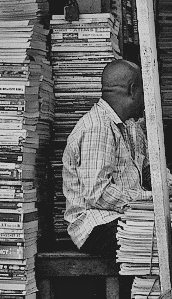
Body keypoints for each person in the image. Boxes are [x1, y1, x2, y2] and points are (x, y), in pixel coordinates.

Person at [62, 60, 154, 259]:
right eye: (143, 91)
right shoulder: (97, 128)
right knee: (161, 238)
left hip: (123, 215)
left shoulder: (131, 126)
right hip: (97, 224)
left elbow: (147, 172)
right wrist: (150, 199)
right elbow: (99, 194)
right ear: (132, 90)